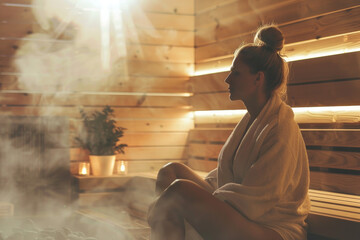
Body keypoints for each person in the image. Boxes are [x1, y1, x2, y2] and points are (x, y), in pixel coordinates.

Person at [147, 24, 310, 240]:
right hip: (244, 216)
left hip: (272, 228)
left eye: (235, 72)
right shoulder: (253, 119)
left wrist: (197, 202)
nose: (227, 79)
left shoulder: (280, 127)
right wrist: (196, 201)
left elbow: (259, 198)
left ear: (258, 78)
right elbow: (228, 177)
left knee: (179, 192)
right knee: (171, 172)